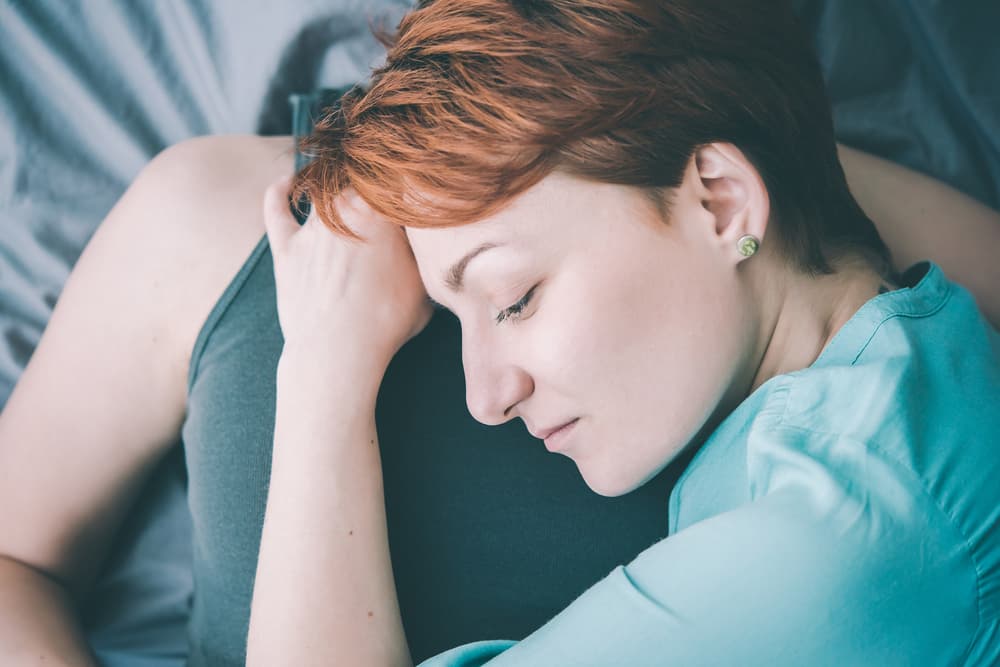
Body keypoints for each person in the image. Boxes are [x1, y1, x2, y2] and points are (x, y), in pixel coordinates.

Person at [0, 4, 998, 667]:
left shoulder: (829, 552)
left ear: (725, 200)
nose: (486, 397)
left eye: (514, 298)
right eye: (453, 307)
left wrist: (326, 375)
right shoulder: (883, 313)